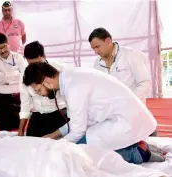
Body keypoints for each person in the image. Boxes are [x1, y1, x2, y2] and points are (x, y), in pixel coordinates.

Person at [22, 62, 164, 164]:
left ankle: (140, 153)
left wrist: (56, 146)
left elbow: (77, 131)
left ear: (46, 81)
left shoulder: (74, 88)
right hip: (123, 118)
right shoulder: (71, 77)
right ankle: (137, 144)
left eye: (38, 90)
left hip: (125, 122)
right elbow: (79, 122)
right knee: (87, 137)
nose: (40, 94)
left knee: (82, 152)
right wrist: (54, 135)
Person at [0, 128, 167, 177]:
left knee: (107, 159)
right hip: (48, 167)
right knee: (96, 174)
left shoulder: (1, 138)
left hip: (62, 149)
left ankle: (153, 173)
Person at [89, 27, 156, 136]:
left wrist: (128, 100)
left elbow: (145, 83)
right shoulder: (98, 63)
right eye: (93, 49)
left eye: (97, 47)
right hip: (114, 115)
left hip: (135, 111)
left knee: (144, 144)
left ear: (108, 40)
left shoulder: (131, 55)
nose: (96, 51)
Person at [18, 41, 70, 139]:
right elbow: (25, 104)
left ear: (44, 56)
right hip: (38, 115)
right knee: (32, 144)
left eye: (38, 63)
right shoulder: (25, 75)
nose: (36, 69)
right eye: (31, 65)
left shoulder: (59, 70)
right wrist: (20, 131)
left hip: (59, 114)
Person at [0, 33, 27, 131]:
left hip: (18, 98)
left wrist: (7, 78)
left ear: (8, 44)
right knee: (3, 129)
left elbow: (25, 75)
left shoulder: (18, 57)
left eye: (4, 47)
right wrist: (16, 74)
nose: (2, 50)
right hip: (1, 100)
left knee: (19, 128)